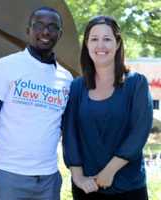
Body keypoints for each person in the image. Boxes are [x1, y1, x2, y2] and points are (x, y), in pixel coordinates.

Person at [0, 6, 73, 200]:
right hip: (7, 176)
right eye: (39, 25)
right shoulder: (6, 66)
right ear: (28, 30)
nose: (45, 32)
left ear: (59, 34)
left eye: (52, 27)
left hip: (48, 180)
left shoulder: (66, 78)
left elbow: (64, 128)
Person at [62, 16, 153, 200]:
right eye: (94, 39)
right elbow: (69, 133)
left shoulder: (136, 83)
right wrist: (78, 177)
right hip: (86, 189)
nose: (100, 45)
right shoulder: (77, 87)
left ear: (118, 43)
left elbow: (140, 131)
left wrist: (109, 171)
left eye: (107, 39)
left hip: (129, 188)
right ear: (86, 44)